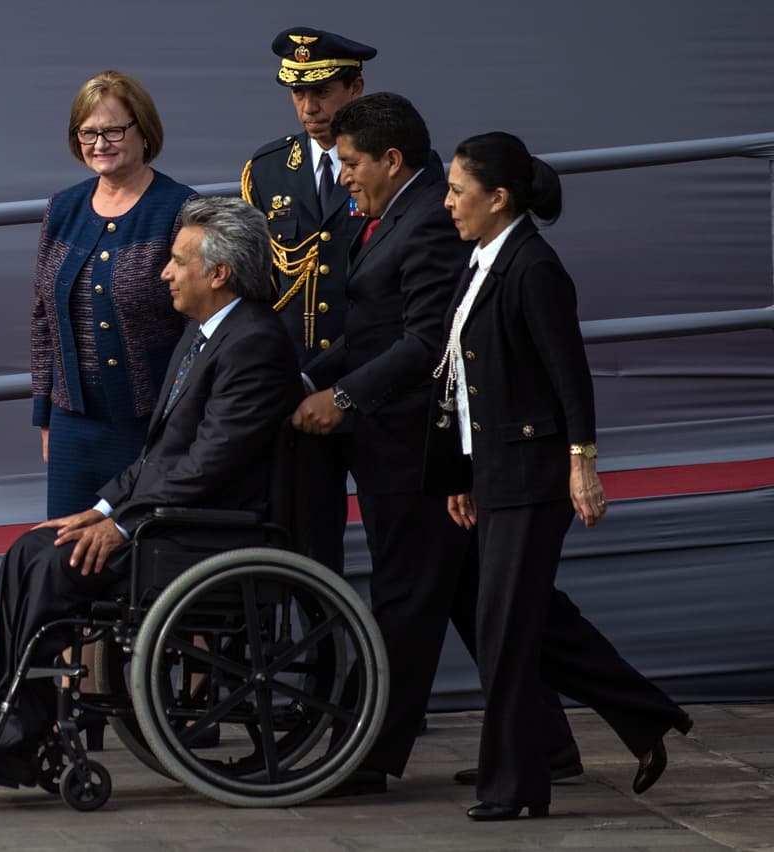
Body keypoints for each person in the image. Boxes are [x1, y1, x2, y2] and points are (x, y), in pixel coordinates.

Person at [0, 197, 302, 783]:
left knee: (56, 567)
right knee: (31, 550)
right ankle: (0, 720)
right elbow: (158, 456)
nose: (165, 271)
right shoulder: (204, 335)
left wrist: (122, 526)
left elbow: (210, 465)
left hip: (207, 532)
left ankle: (17, 729)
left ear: (218, 273)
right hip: (170, 516)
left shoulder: (254, 343)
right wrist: (99, 509)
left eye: (177, 260)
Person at [429, 131, 693, 820]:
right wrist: (461, 472)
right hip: (492, 471)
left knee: (505, 631)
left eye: (459, 189)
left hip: (533, 474)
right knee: (535, 619)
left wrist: (584, 467)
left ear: (500, 198)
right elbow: (465, 382)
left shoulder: (534, 268)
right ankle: (645, 714)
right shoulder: (481, 260)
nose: (448, 201)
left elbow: (568, 376)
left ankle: (515, 787)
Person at [289, 91, 480, 795]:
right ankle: (564, 734)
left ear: (392, 160)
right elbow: (367, 333)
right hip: (396, 442)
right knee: (487, 600)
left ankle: (367, 758)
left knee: (404, 598)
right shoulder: (388, 215)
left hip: (415, 447)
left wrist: (341, 397)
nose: (342, 176)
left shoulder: (428, 218)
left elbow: (426, 342)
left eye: (350, 163)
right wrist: (304, 377)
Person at [33, 70, 196, 520]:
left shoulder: (179, 209)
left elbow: (198, 326)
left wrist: (181, 420)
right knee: (68, 555)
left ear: (143, 130)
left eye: (113, 130)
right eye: (87, 132)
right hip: (72, 426)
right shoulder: (62, 208)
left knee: (142, 552)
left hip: (153, 425)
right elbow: (43, 320)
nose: (99, 142)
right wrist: (44, 416)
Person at [240, 26, 374, 572]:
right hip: (297, 387)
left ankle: (383, 657)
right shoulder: (267, 170)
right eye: (297, 93)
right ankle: (326, 654)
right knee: (307, 546)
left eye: (322, 91)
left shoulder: (393, 163)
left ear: (355, 89)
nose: (309, 107)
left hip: (374, 379)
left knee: (402, 538)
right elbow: (257, 284)